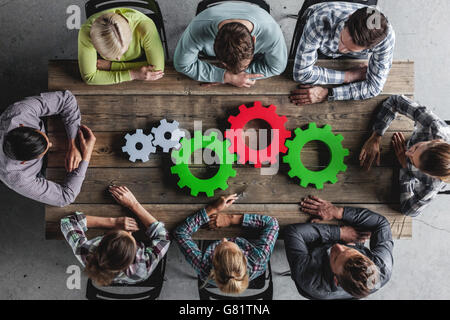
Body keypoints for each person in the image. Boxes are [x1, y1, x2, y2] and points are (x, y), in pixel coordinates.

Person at [284, 195, 393, 300]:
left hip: (313, 259)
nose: (337, 246)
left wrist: (340, 233)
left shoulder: (308, 278)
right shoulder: (383, 267)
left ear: (336, 280)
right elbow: (382, 224)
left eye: (336, 257)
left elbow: (293, 232)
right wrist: (337, 212)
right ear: (368, 260)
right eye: (349, 250)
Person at [0, 91, 96, 207]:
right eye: (42, 152)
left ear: (23, 126)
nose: (51, 144)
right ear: (24, 162)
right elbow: (65, 197)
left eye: (43, 136)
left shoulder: (20, 112)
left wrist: (73, 143)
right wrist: (86, 156)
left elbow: (67, 99)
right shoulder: (17, 177)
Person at [360, 95, 450, 217]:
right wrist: (376, 136)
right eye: (417, 147)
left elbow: (409, 211)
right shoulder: (434, 126)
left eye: (413, 160)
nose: (408, 153)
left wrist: (405, 166)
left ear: (430, 174)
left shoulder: (433, 184)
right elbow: (395, 101)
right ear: (435, 141)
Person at [61, 185, 170, 286]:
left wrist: (113, 222)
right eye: (131, 236)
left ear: (103, 239)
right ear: (134, 255)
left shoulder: (86, 252)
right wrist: (134, 205)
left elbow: (67, 222)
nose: (129, 231)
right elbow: (163, 237)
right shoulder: (142, 269)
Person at [289, 2, 395, 105]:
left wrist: (328, 93)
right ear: (349, 17)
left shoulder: (385, 39)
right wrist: (349, 76)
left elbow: (374, 88)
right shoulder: (318, 22)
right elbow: (301, 74)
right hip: (319, 32)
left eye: (349, 49)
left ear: (371, 46)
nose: (341, 49)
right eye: (343, 41)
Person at [173, 194, 279, 294]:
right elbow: (272, 223)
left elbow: (180, 233)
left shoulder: (205, 268)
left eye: (218, 249)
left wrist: (212, 209)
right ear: (244, 257)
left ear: (213, 264)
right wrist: (230, 219)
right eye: (230, 244)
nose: (224, 239)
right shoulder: (259, 259)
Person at [173, 2, 287, 88]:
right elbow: (182, 64)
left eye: (245, 66)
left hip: (257, 12)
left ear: (254, 40)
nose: (236, 72)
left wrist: (232, 77)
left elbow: (277, 67)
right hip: (208, 15)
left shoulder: (271, 31)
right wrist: (227, 77)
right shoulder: (197, 28)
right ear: (213, 44)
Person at [78, 8, 165, 85]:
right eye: (111, 55)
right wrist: (133, 74)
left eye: (123, 50)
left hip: (109, 65)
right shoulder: (87, 31)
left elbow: (157, 70)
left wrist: (111, 66)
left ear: (130, 37)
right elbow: (89, 77)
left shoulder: (145, 27)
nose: (118, 59)